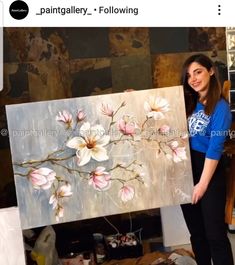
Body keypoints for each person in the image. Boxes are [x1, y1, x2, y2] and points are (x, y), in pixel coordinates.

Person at [180, 53, 234, 265]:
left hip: (209, 170)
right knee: (197, 235)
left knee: (215, 235)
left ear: (211, 71)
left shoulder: (221, 107)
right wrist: (135, 97)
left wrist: (202, 185)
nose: (193, 78)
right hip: (185, 169)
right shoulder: (188, 101)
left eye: (198, 71)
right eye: (189, 75)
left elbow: (215, 148)